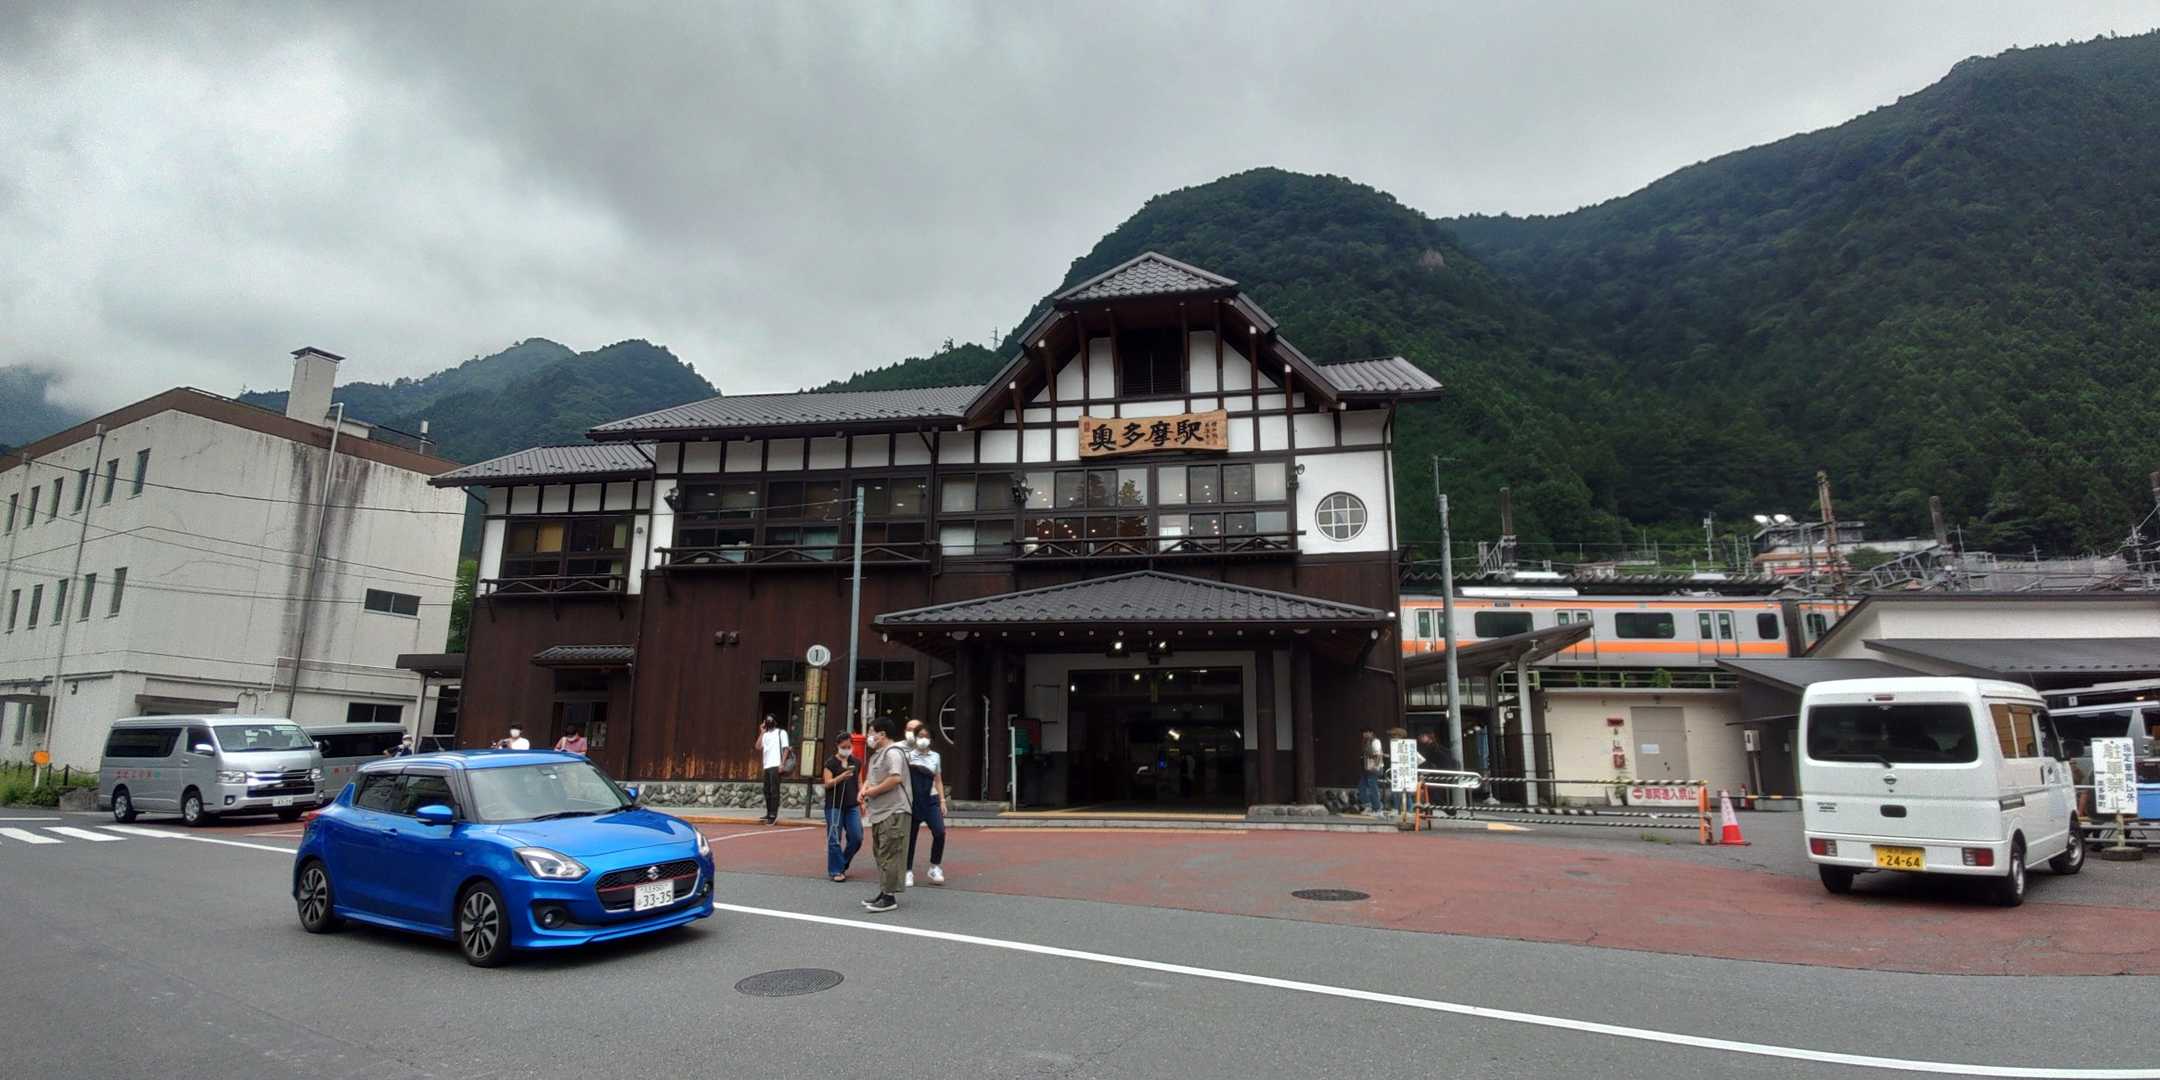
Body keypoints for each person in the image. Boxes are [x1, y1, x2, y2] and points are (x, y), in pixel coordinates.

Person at [859, 717, 913, 913]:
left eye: (871, 732)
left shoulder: (893, 753)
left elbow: (895, 778)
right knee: (881, 852)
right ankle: (884, 891)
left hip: (894, 810)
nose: (869, 736)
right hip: (881, 811)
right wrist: (863, 790)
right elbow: (870, 778)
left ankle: (889, 897)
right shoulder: (878, 755)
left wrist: (872, 792)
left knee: (890, 853)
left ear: (882, 734)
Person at [901, 718, 947, 887]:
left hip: (931, 799)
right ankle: (907, 870)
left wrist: (942, 800)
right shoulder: (908, 756)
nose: (923, 739)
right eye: (920, 736)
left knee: (940, 832)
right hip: (913, 800)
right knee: (911, 836)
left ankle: (935, 867)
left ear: (931, 739)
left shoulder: (936, 756)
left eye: (926, 736)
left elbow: (938, 780)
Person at [822, 738, 862, 882]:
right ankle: (835, 871)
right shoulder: (830, 763)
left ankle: (842, 863)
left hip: (852, 804)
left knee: (857, 837)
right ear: (837, 746)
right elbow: (827, 784)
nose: (846, 749)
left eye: (848, 746)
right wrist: (841, 777)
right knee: (834, 838)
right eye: (843, 746)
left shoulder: (856, 762)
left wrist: (862, 799)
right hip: (834, 805)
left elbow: (859, 782)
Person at [754, 715, 790, 825]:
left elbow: (786, 749)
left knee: (774, 790)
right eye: (767, 720)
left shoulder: (781, 732)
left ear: (775, 721)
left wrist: (782, 764)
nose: (769, 722)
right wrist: (761, 732)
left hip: (776, 764)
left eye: (771, 720)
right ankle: (769, 812)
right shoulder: (765, 735)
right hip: (767, 765)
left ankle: (773, 814)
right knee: (766, 790)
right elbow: (758, 747)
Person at [1357, 728, 1384, 814]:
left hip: (1374, 768)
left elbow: (1378, 755)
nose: (1364, 734)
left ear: (1371, 733)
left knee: (1373, 788)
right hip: (1366, 768)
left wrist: (1375, 766)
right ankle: (1368, 806)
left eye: (1366, 732)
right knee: (1362, 787)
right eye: (1363, 733)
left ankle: (1377, 808)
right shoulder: (1365, 742)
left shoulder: (1375, 741)